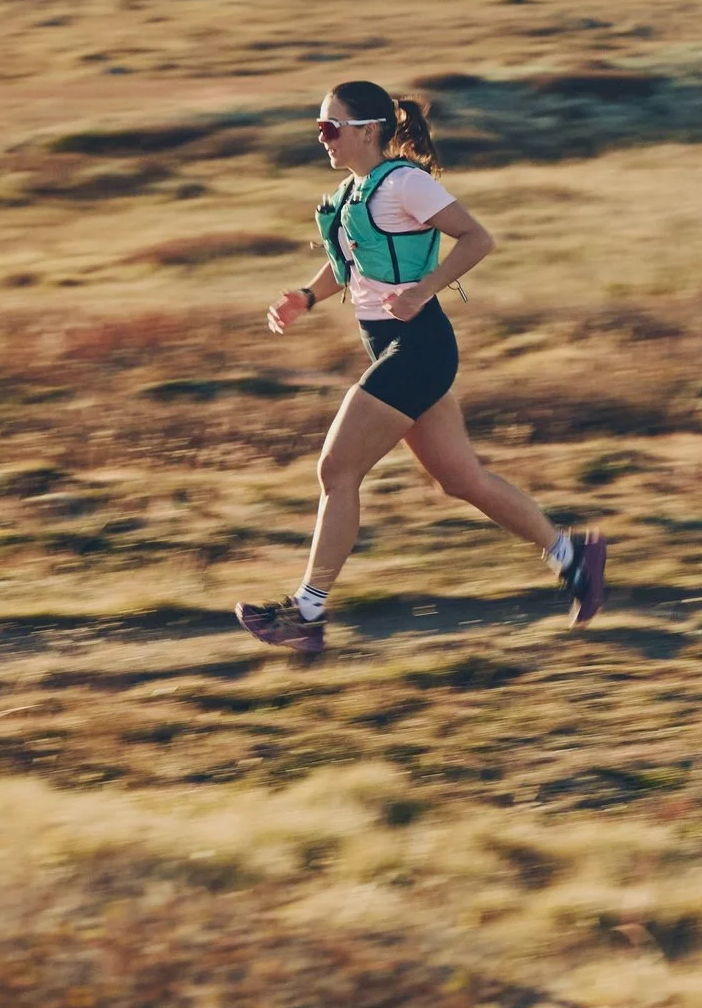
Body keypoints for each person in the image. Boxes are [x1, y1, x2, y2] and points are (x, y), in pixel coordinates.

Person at [234, 81, 605, 652]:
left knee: (336, 470)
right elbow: (351, 266)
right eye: (319, 128)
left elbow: (476, 238)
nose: (322, 138)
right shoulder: (352, 192)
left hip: (420, 345)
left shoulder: (405, 182)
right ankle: (571, 554)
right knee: (460, 480)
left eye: (330, 127)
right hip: (390, 347)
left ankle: (306, 612)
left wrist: (421, 292)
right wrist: (305, 298)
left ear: (368, 129)